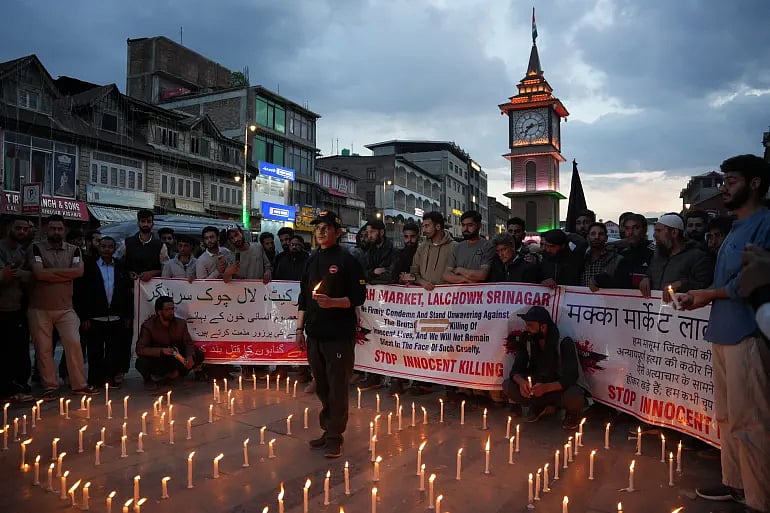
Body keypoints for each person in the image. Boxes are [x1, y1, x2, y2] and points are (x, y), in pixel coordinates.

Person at [679, 154, 770, 512]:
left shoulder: (765, 223)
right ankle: (736, 483)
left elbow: (753, 279)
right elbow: (724, 283)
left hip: (748, 335)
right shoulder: (735, 227)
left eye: (731, 181)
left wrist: (709, 294)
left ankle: (760, 499)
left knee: (752, 421)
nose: (724, 188)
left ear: (755, 184)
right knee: (727, 417)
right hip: (722, 330)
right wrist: (698, 297)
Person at [295, 210, 366, 458]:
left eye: (326, 227)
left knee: (337, 386)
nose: (321, 232)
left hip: (338, 334)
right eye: (318, 228)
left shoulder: (348, 260)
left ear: (338, 231)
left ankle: (335, 435)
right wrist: (299, 329)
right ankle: (328, 428)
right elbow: (304, 297)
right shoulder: (312, 259)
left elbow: (358, 298)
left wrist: (334, 303)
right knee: (322, 386)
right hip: (314, 333)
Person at [28, 214, 97, 398]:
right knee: (43, 349)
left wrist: (50, 273)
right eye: (53, 228)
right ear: (46, 229)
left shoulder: (74, 250)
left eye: (59, 229)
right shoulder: (36, 248)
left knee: (74, 344)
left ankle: (79, 384)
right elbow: (39, 274)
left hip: (66, 307)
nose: (56, 232)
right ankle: (50, 385)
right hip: (39, 308)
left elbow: (78, 272)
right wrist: (66, 274)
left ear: (64, 230)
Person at [502, 306, 587, 430]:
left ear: (543, 327)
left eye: (531, 325)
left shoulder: (564, 342)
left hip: (558, 388)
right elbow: (516, 370)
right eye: (526, 325)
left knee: (574, 395)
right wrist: (521, 383)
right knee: (508, 386)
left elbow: (571, 377)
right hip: (537, 387)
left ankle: (572, 414)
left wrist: (546, 388)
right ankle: (539, 406)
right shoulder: (527, 339)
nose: (527, 328)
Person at [74, 236, 132, 388]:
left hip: (116, 316)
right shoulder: (89, 265)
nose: (107, 249)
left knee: (113, 350)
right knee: (95, 351)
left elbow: (127, 292)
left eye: (110, 247)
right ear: (99, 248)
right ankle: (94, 381)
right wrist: (84, 316)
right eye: (104, 246)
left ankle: (110, 380)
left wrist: (127, 315)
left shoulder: (120, 266)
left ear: (114, 249)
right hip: (95, 317)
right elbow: (82, 293)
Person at [135, 296, 205, 390]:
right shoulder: (148, 326)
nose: (171, 312)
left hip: (176, 357)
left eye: (172, 309)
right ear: (159, 312)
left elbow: (188, 343)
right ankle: (149, 380)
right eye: (167, 309)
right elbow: (140, 349)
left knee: (198, 354)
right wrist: (162, 351)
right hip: (159, 359)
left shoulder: (181, 324)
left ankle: (175, 375)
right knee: (141, 362)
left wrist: (189, 356)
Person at [639, 214, 713, 299]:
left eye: (659, 231)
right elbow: (650, 273)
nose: (654, 235)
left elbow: (704, 284)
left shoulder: (697, 256)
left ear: (674, 233)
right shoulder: (658, 254)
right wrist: (646, 279)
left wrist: (681, 284)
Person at [0, 218, 34, 402]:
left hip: (18, 308)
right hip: (2, 309)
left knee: (18, 351)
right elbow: (5, 276)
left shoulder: (23, 251)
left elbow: (32, 276)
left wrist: (17, 274)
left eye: (25, 228)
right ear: (8, 228)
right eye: (18, 228)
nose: (21, 231)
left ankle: (18, 386)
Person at [443, 210, 494, 284]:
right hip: (460, 294)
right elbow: (446, 275)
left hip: (481, 293)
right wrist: (466, 280)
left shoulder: (487, 246)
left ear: (479, 226)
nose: (465, 229)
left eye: (470, 225)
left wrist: (460, 270)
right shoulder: (457, 247)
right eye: (463, 225)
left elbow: (482, 275)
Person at [411, 212, 456, 291]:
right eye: (423, 226)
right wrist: (422, 282)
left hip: (447, 297)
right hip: (424, 297)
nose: (424, 230)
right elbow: (414, 272)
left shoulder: (455, 247)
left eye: (427, 226)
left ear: (438, 226)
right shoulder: (422, 247)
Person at [611, 214, 654, 289]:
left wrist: (648, 278)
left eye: (636, 228)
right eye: (627, 228)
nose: (630, 232)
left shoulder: (655, 252)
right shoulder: (621, 254)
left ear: (644, 230)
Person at [580, 222, 623, 290]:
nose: (597, 237)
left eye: (601, 234)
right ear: (588, 237)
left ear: (606, 238)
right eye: (593, 234)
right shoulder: (581, 259)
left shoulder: (616, 260)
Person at [363, 219, 396, 285]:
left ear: (381, 232)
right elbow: (362, 274)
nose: (369, 236)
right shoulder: (368, 251)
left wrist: (371, 279)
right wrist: (374, 272)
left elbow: (391, 276)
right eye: (368, 232)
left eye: (372, 232)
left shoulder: (393, 252)